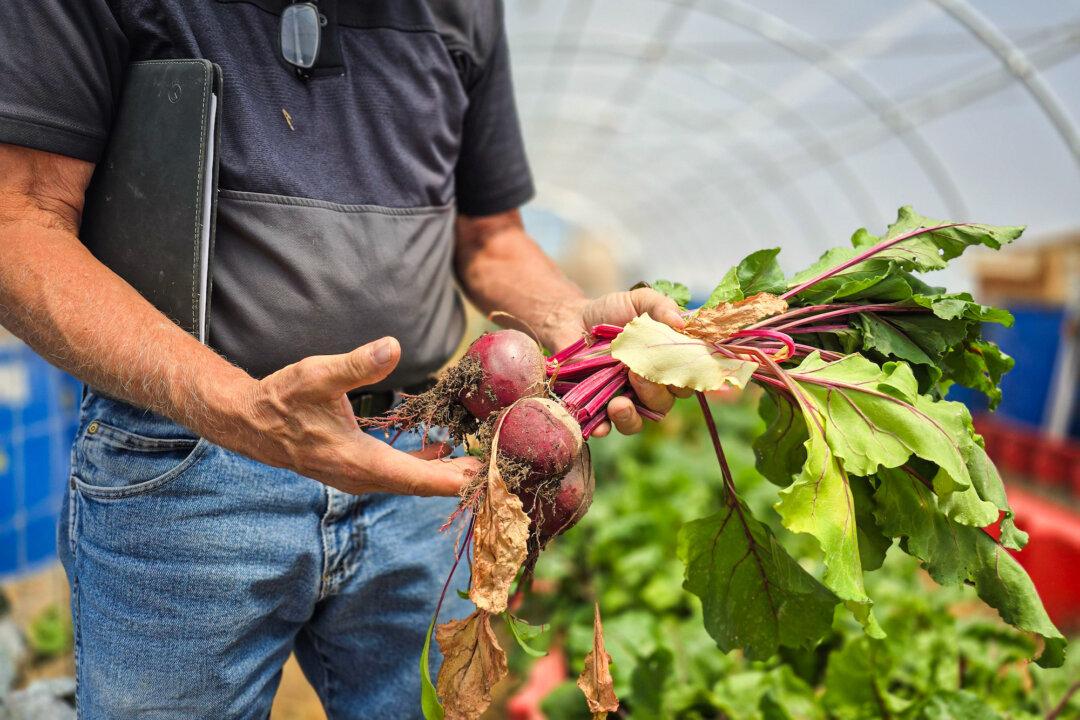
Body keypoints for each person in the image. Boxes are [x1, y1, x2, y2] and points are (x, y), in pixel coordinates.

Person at [0, 1, 686, 717]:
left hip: (421, 465)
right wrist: (237, 407)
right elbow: (18, 221)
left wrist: (565, 321)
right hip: (184, 462)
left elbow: (490, 236)